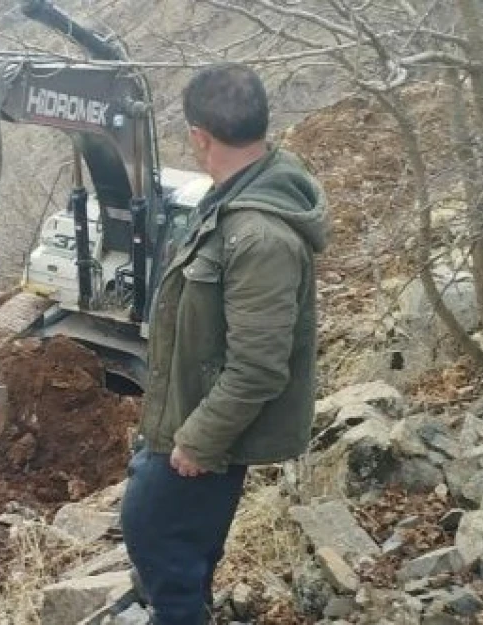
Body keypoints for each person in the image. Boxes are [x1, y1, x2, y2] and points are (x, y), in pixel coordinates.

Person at [120, 62, 328, 624]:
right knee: (177, 558)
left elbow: (260, 368)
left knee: (159, 545)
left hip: (202, 430)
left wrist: (197, 441)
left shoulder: (259, 237)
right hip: (185, 412)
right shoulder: (234, 194)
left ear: (199, 135)